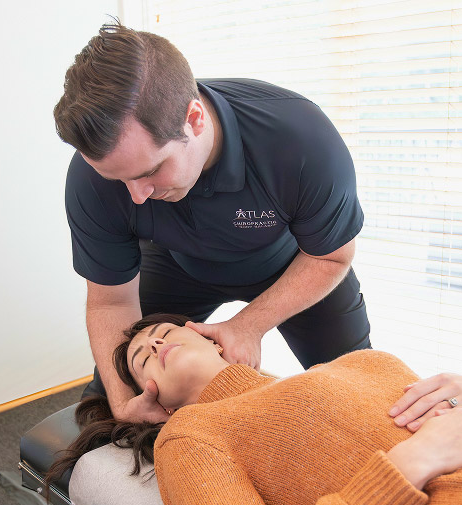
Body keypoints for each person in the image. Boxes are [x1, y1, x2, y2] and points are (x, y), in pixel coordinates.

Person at [54, 22, 371, 428]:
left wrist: (249, 325)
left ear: (194, 119)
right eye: (119, 180)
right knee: (109, 408)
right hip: (176, 265)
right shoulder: (91, 178)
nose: (136, 196)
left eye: (150, 172)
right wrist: (121, 404)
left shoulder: (300, 140)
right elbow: (111, 302)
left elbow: (332, 257)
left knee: (364, 396)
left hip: (296, 265)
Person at [47, 314, 462, 505]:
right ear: (159, 403)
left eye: (165, 332)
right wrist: (406, 467)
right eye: (142, 360)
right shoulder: (191, 435)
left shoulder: (361, 361)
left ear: (212, 339)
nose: (155, 343)